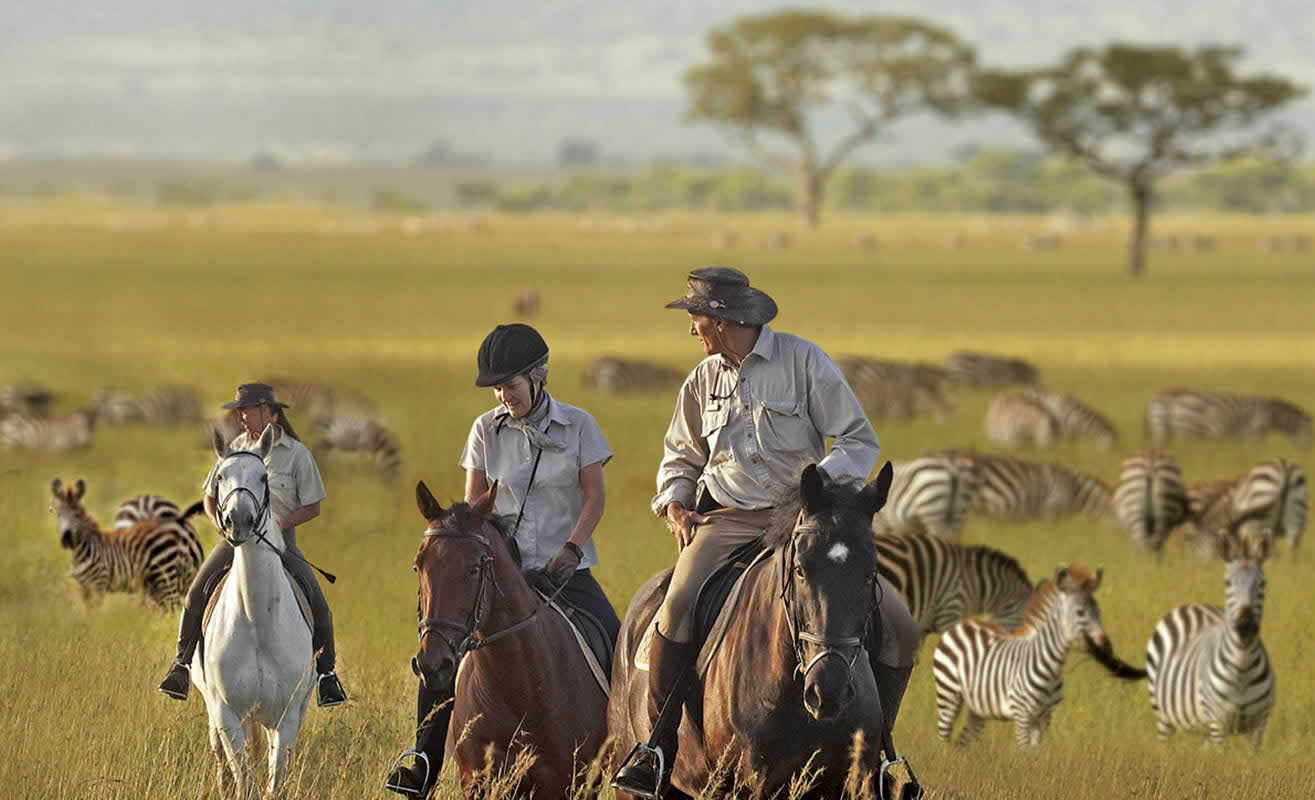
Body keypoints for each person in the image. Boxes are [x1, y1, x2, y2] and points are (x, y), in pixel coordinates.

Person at [612, 267, 921, 798]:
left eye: (696, 318)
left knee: (901, 626)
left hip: (804, 519)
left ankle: (881, 756)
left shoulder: (805, 361)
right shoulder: (701, 380)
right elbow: (679, 458)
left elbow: (857, 441)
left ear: (723, 319)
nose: (692, 330)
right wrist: (675, 505)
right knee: (679, 603)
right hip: (727, 521)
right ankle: (657, 750)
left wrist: (817, 487)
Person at [385, 322, 620, 798]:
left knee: (617, 645)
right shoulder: (484, 430)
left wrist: (572, 550)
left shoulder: (579, 426)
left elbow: (594, 499)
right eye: (496, 388)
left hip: (564, 573)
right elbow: (475, 508)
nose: (501, 396)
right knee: (441, 649)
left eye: (509, 385)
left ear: (539, 376)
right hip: (499, 574)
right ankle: (422, 762)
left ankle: (633, 752)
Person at [159, 383, 347, 706]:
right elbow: (208, 497)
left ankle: (327, 676)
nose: (241, 418)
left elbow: (313, 506)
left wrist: (281, 524)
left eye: (246, 411)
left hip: (281, 542)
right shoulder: (234, 448)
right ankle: (181, 666)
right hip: (236, 539)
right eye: (239, 412)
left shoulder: (297, 454)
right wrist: (220, 523)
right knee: (194, 594)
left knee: (319, 604)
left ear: (269, 412)